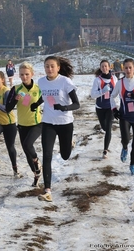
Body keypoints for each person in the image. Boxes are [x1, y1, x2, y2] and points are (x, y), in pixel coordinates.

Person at [36, 56, 80, 202]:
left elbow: (76, 104)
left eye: (52, 66)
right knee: (46, 155)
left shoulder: (65, 82)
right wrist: (35, 104)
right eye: (47, 66)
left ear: (58, 68)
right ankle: (47, 190)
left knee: (65, 155)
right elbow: (45, 96)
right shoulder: (41, 82)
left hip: (65, 123)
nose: (49, 69)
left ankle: (69, 143)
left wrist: (64, 107)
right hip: (48, 122)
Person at [6, 62, 43, 184]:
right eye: (22, 74)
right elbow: (7, 108)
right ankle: (36, 174)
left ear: (32, 74)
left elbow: (47, 99)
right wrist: (14, 100)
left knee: (28, 145)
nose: (24, 77)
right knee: (27, 152)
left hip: (36, 123)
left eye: (27, 74)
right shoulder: (16, 89)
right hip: (22, 125)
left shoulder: (38, 88)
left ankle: (37, 161)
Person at [110, 58, 134, 175]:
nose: (128, 70)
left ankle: (132, 165)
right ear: (123, 69)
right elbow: (112, 96)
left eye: (130, 67)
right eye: (126, 68)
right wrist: (114, 109)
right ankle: (124, 147)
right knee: (125, 139)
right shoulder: (120, 83)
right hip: (125, 116)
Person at [0, 70, 21, 178]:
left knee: (10, 146)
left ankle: (15, 168)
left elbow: (7, 109)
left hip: (9, 123)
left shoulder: (6, 91)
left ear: (2, 80)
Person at [90, 60, 118, 159]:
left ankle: (105, 150)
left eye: (106, 66)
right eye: (102, 66)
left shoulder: (114, 78)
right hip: (100, 108)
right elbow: (93, 95)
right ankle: (106, 131)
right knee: (105, 127)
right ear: (100, 68)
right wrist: (102, 91)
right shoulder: (97, 80)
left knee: (109, 128)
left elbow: (118, 92)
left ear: (109, 67)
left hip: (110, 107)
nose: (104, 68)